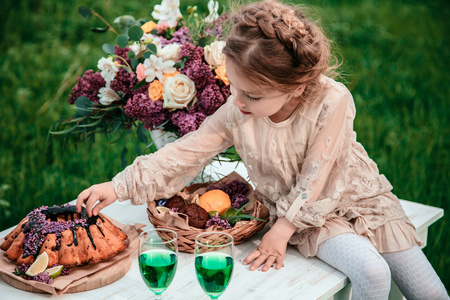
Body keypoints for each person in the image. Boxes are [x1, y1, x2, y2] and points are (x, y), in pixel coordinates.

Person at [76, 1, 448, 299]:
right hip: (309, 216)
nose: (236, 101)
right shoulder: (238, 112)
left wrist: (280, 230)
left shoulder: (332, 100)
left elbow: (318, 174)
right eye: (233, 86)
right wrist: (118, 186)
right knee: (372, 273)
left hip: (357, 196)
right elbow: (185, 152)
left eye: (252, 95)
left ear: (296, 88)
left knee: (430, 292)